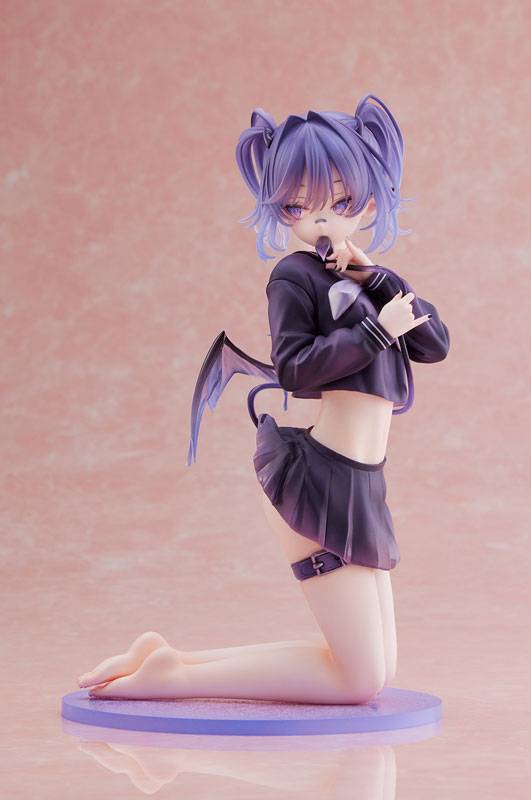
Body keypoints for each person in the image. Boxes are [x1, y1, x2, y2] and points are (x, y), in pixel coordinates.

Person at [78, 94, 450, 704]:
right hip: (322, 480)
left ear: (367, 200)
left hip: (365, 482)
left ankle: (171, 661)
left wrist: (376, 279)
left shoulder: (370, 279)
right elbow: (295, 369)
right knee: (358, 680)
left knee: (377, 669)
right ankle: (177, 680)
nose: (321, 220)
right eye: (299, 207)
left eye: (340, 202)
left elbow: (434, 344)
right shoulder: (292, 277)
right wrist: (376, 331)